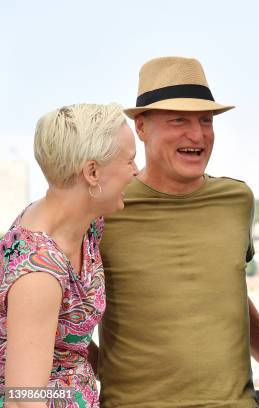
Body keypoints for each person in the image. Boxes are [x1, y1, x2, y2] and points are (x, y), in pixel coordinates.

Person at [95, 56, 259, 408]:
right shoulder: (105, 209)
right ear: (141, 128)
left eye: (206, 120)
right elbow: (64, 315)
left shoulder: (237, 200)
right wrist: (105, 373)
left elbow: (229, 293)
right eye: (179, 120)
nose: (197, 134)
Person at [0, 103, 137, 407]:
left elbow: (66, 344)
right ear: (92, 172)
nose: (136, 171)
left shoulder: (86, 225)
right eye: (129, 160)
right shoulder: (38, 273)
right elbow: (23, 400)